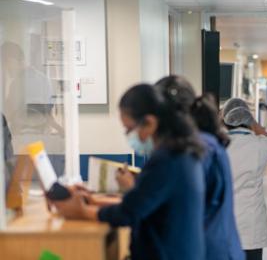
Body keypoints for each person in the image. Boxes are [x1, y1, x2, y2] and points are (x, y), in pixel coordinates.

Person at [52, 84, 206, 260]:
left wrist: (83, 212)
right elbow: (140, 202)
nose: (128, 136)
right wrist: (92, 200)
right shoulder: (181, 153)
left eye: (129, 129)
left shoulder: (166, 160)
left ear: (150, 122)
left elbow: (128, 213)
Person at [153, 76, 245, 260]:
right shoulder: (207, 142)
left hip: (207, 249)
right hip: (220, 246)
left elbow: (179, 205)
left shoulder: (196, 150)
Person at [222, 99, 267, 260]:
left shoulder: (219, 146)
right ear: (250, 120)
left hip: (225, 223)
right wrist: (255, 124)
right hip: (252, 225)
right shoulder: (261, 145)